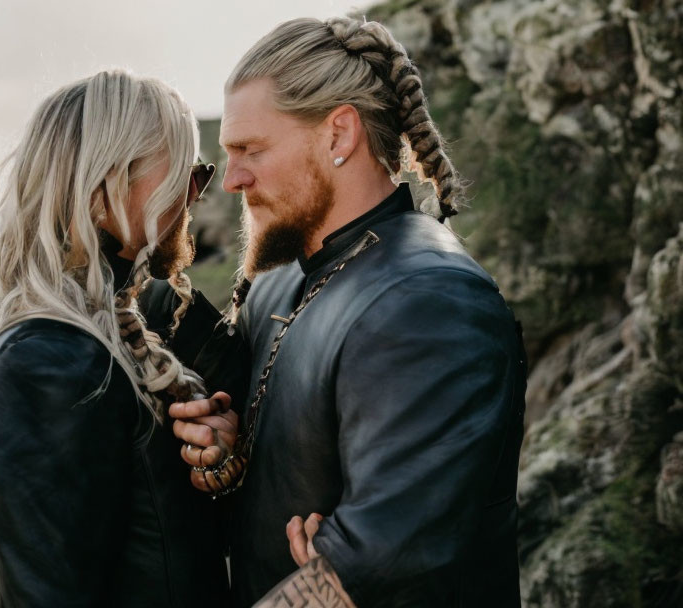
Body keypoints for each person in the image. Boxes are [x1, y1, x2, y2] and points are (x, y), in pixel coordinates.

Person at [170, 16, 527, 607]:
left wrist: (338, 570)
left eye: (250, 150)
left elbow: (381, 562)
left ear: (339, 135)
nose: (230, 180)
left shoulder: (428, 302)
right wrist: (230, 457)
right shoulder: (279, 278)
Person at [0, 70, 241, 606]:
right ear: (102, 187)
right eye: (185, 172)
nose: (197, 196)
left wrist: (223, 466)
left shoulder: (115, 331)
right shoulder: (47, 363)